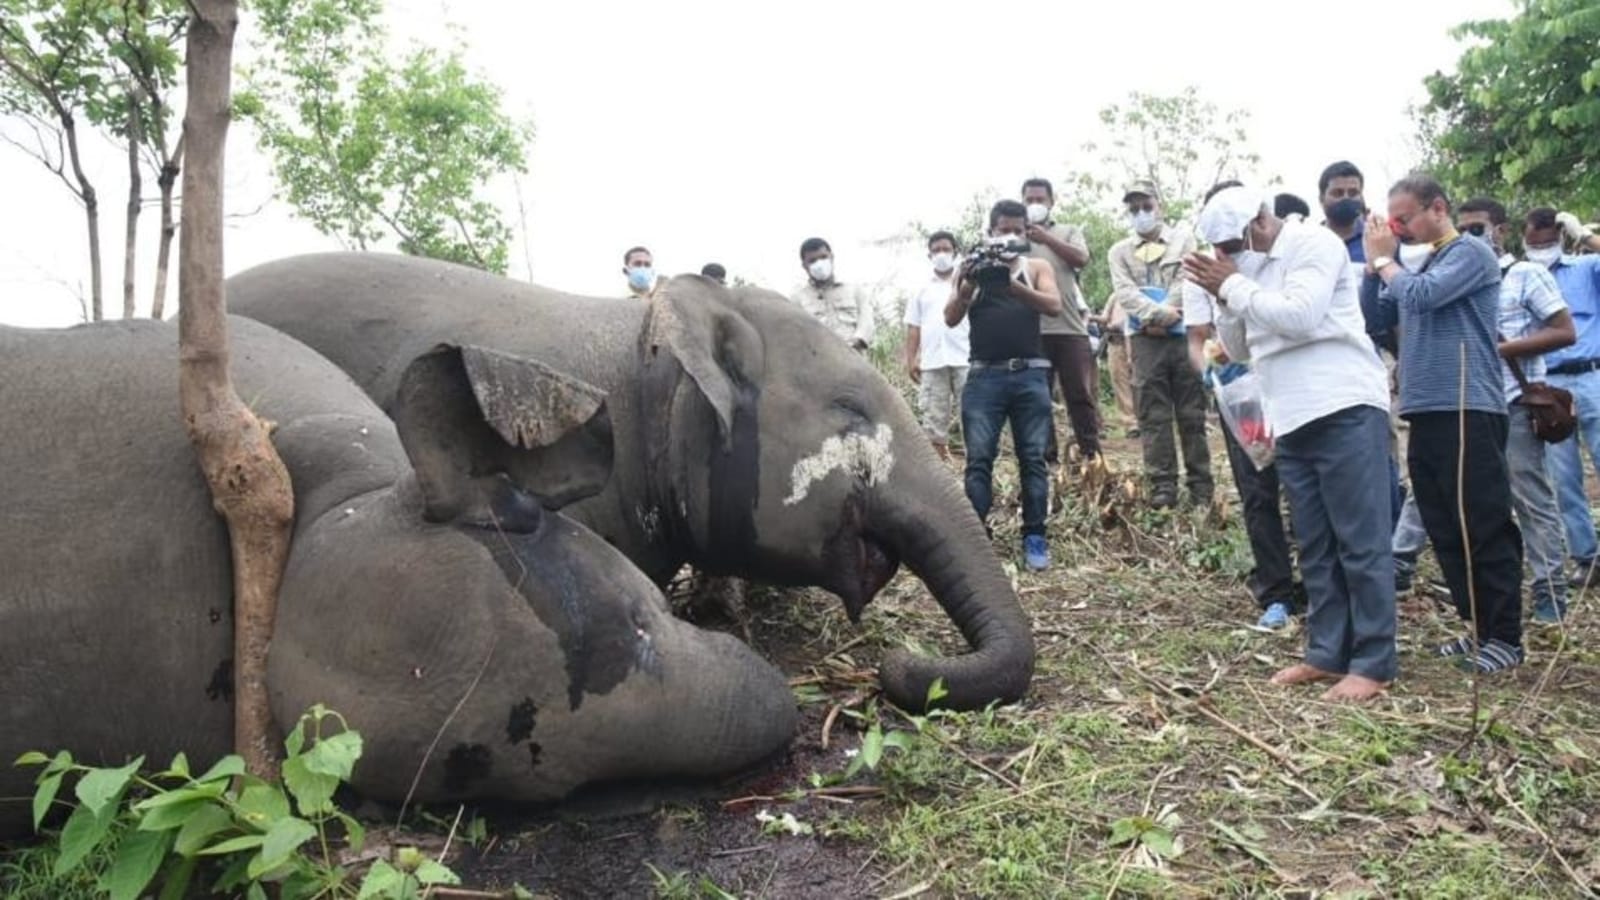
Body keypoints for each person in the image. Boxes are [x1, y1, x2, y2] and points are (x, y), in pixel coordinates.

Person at [1187, 185, 1395, 701]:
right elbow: (1234, 347)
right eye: (1219, 251)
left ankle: (1373, 661)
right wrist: (1226, 296)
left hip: (1342, 403)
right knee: (1317, 544)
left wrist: (1233, 285)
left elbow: (1300, 316)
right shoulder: (1243, 270)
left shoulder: (1312, 246)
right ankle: (1327, 652)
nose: (1225, 259)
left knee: (1359, 539)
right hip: (1290, 415)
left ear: (1259, 222)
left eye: (1231, 247)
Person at [1361, 174, 1524, 675]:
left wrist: (1387, 260)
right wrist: (1373, 269)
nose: (1399, 228)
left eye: (1405, 218)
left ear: (1438, 208)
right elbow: (1378, 315)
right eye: (1392, 221)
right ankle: (1478, 627)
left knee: (1483, 520)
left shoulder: (1470, 253)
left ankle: (1506, 637)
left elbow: (1424, 297)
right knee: (1443, 522)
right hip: (1427, 408)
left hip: (1468, 407)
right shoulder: (1425, 261)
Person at [1184, 180, 1302, 631]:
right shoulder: (1200, 269)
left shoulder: (1284, 254)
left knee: (1302, 486)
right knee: (1258, 491)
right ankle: (1276, 591)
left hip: (1290, 385)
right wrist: (1216, 379)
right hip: (1242, 395)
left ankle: (1317, 582)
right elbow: (1197, 339)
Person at [1459, 198, 1576, 624]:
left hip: (1513, 402)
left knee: (1531, 500)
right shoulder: (1463, 278)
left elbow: (1564, 331)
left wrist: (1498, 349)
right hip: (1471, 405)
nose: (1470, 237)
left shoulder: (1525, 274)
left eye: (1477, 228)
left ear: (1500, 231)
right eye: (1463, 229)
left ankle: (1550, 595)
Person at [945, 200, 1062, 571]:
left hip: (1029, 374)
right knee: (979, 459)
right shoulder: (973, 268)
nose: (1010, 235)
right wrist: (969, 284)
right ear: (991, 232)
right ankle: (976, 538)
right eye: (1003, 229)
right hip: (984, 376)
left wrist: (1012, 286)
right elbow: (950, 317)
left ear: (1027, 232)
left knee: (1033, 459)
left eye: (1018, 228)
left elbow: (1054, 305)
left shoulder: (1036, 267)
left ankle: (1035, 535)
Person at [1109, 179, 1213, 509]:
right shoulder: (1119, 252)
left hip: (1183, 338)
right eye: (1134, 208)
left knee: (1191, 413)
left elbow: (1187, 281)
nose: (1141, 213)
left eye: (1146, 206)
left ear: (1159, 205)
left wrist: (1165, 318)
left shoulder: (1184, 240)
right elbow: (1124, 294)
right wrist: (1157, 317)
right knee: (1152, 415)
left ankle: (1201, 487)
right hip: (1144, 342)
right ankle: (1162, 486)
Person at [1525, 207, 1600, 585]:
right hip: (1548, 385)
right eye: (1535, 242)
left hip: (1591, 375)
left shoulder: (1586, 268)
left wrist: (1585, 236)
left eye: (1548, 241)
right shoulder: (1522, 277)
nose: (1542, 248)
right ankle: (1587, 558)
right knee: (1564, 478)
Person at [1021, 177, 1100, 462]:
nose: (1035, 204)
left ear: (1052, 201)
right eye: (1029, 200)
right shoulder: (1016, 239)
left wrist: (1047, 238)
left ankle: (1092, 455)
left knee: (1079, 395)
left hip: (1070, 328)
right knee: (1038, 399)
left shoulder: (1068, 231)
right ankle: (1047, 458)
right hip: (1031, 332)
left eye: (1040, 199)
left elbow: (1081, 259)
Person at [904, 231, 970, 460]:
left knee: (972, 415)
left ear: (955, 252)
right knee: (933, 418)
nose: (941, 254)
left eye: (946, 249)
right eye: (936, 250)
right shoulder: (921, 289)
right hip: (932, 361)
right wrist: (911, 359)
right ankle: (940, 468)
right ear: (929, 255)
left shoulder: (968, 282)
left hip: (966, 358)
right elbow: (914, 327)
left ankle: (975, 466)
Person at [790, 237, 874, 351]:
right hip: (819, 362)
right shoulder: (797, 299)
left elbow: (866, 322)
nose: (819, 263)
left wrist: (856, 342)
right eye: (812, 260)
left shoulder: (854, 290)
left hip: (855, 359)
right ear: (805, 266)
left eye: (823, 257)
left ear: (832, 257)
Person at [1095, 295, 1139, 436]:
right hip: (1115, 341)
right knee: (1120, 381)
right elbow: (1105, 318)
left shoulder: (1140, 295)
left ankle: (1142, 420)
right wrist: (1087, 316)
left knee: (1139, 381)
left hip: (1136, 341)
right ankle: (1131, 423)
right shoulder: (1115, 296)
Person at [1318, 161, 1368, 263]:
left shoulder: (1378, 240)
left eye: (1353, 193)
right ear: (1321, 199)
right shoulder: (1309, 242)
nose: (1346, 198)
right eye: (1338, 193)